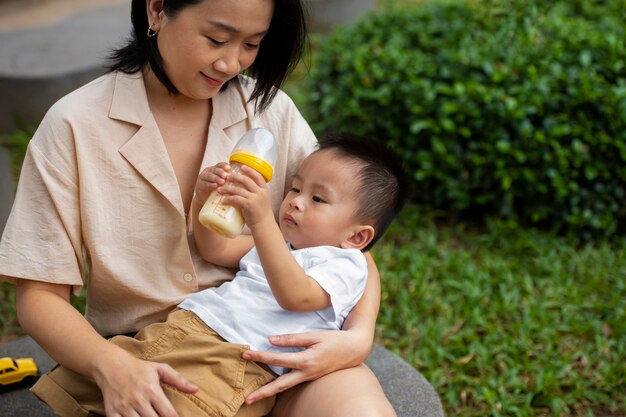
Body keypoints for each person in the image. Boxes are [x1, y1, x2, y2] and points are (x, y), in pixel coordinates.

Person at [0, 0, 397, 416]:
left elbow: (348, 249)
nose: (231, 63)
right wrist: (111, 365)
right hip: (152, 357)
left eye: (251, 44)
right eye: (217, 39)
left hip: (277, 360)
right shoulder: (74, 126)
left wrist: (358, 337)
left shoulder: (269, 111)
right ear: (156, 10)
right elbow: (39, 295)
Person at [30, 132, 413, 417]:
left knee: (185, 404)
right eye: (295, 187)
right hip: (183, 329)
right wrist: (207, 198)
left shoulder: (344, 264)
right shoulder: (282, 244)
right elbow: (216, 248)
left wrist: (262, 221)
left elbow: (296, 296)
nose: (294, 200)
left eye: (317, 199)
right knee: (102, 387)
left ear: (357, 236)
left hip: (236, 360)